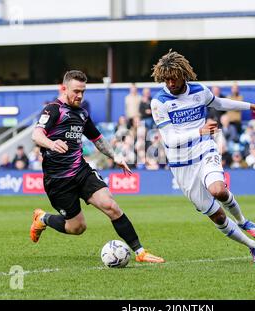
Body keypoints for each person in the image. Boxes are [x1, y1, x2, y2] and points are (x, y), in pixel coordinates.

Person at [150, 50, 255, 263]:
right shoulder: (159, 102)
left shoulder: (199, 90)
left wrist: (251, 106)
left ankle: (244, 220)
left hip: (203, 148)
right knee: (217, 216)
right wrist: (199, 131)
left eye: (174, 77)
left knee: (218, 189)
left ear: (183, 74)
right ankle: (253, 247)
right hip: (181, 164)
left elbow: (219, 103)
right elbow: (170, 140)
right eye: (166, 78)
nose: (170, 82)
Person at [30, 70, 164, 264]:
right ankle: (42, 219)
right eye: (76, 91)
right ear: (64, 88)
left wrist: (115, 156)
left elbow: (98, 139)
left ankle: (140, 252)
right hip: (58, 180)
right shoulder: (53, 110)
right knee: (77, 228)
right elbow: (36, 134)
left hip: (81, 171)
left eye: (83, 91)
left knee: (111, 206)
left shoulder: (82, 113)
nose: (80, 96)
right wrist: (51, 144)